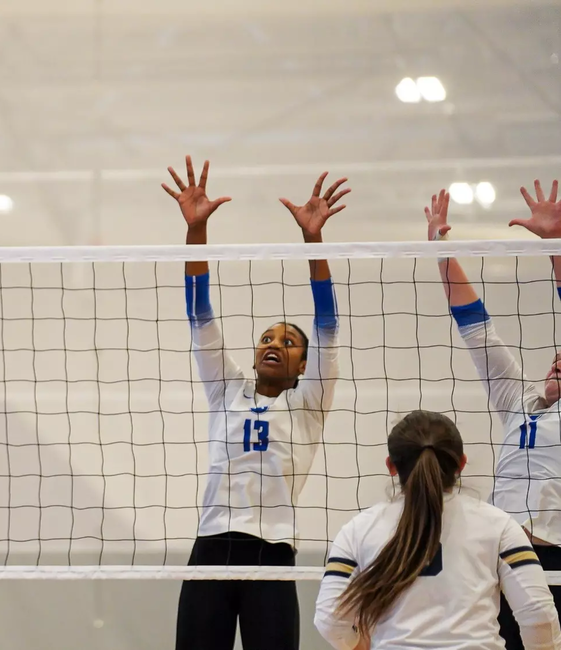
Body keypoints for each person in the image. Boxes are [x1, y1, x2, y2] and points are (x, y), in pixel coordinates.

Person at [164, 156, 344, 650]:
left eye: (287, 342)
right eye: (267, 336)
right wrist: (196, 229)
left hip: (273, 551)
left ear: (303, 365)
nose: (273, 343)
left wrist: (313, 240)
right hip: (212, 546)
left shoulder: (309, 402)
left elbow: (327, 324)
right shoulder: (226, 388)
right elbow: (198, 309)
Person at [424, 181, 561, 649]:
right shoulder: (520, 404)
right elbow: (476, 328)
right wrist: (440, 251)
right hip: (502, 560)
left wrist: (555, 245)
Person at [314, 410, 561, 650]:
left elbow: (329, 619)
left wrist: (358, 645)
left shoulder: (358, 529)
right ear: (461, 464)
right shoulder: (499, 524)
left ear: (391, 466)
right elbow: (538, 614)